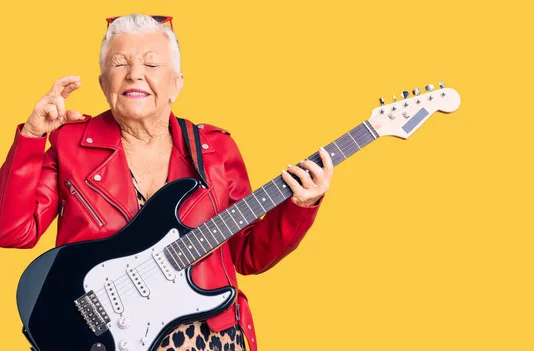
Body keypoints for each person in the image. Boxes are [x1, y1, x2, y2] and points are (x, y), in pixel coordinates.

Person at [0, 14, 333, 351]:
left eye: (152, 64)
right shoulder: (69, 144)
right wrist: (31, 136)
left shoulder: (215, 149)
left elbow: (248, 255)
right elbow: (11, 231)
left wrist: (299, 207)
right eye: (120, 63)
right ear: (103, 84)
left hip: (209, 339)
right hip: (105, 340)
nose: (135, 74)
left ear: (177, 83)